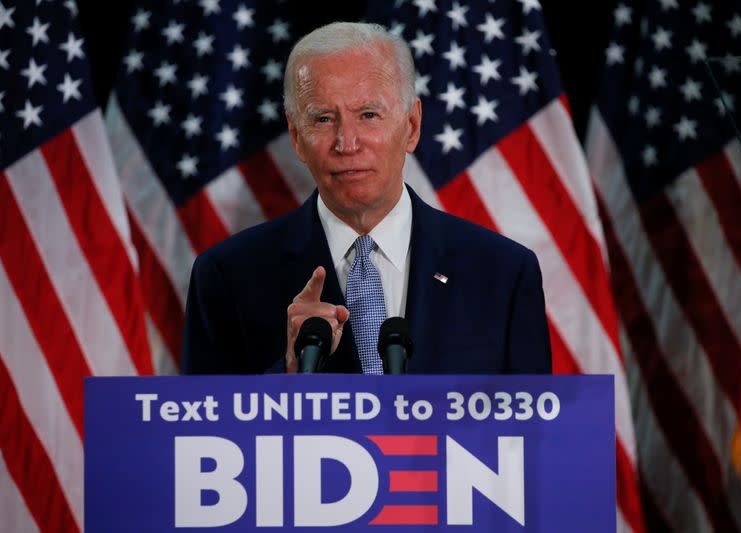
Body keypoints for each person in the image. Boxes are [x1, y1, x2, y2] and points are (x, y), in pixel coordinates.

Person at [182, 22, 551, 375]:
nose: (347, 143)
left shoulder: (502, 274)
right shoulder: (227, 277)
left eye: (368, 115)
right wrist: (290, 374)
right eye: (324, 119)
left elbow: (533, 430)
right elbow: (202, 433)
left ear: (411, 126)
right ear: (296, 137)